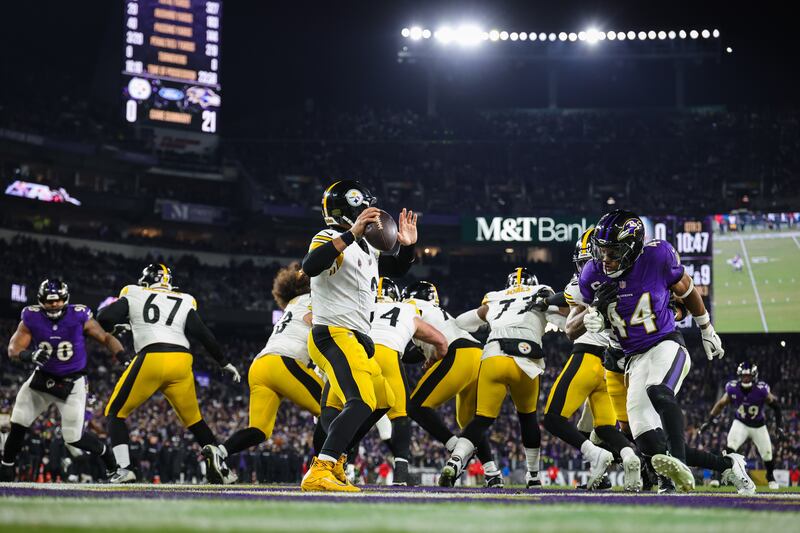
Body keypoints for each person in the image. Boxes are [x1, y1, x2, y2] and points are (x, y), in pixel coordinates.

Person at [580, 210, 754, 494]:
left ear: (632, 248)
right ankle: (728, 466)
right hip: (632, 360)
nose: (606, 259)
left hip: (665, 343)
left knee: (659, 391)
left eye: (613, 252)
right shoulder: (592, 274)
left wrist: (706, 327)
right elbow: (576, 321)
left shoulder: (657, 256)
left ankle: (677, 472)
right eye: (602, 251)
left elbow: (685, 290)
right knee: (647, 441)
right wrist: (591, 316)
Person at [300, 180, 417, 492]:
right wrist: (350, 235)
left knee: (383, 399)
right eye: (365, 206)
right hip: (333, 333)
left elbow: (400, 268)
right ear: (352, 208)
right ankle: (321, 468)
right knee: (362, 400)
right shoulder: (329, 236)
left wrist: (407, 246)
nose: (372, 213)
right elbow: (310, 266)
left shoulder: (367, 248)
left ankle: (336, 459)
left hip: (356, 338)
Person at [96, 264, 241, 483]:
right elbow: (203, 333)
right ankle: (223, 470)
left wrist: (120, 325)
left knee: (115, 412)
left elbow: (104, 318)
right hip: (182, 361)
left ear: (145, 281)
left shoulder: (134, 292)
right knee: (196, 421)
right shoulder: (184, 299)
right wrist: (223, 361)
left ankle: (124, 469)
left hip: (152, 356)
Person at [203, 263, 324, 484]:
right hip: (284, 361)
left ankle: (220, 451)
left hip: (260, 366)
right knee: (331, 410)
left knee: (259, 430)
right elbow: (317, 325)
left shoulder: (292, 303)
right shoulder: (313, 300)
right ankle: (324, 470)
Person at [546, 229, 642, 491]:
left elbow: (569, 326)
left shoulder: (585, 282)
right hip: (614, 363)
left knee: (553, 418)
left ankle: (598, 457)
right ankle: (629, 458)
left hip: (588, 355)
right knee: (604, 429)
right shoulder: (631, 281)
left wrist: (542, 301)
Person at [439, 268, 553, 489]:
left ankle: (455, 462)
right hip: (526, 357)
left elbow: (462, 321)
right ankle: (534, 476)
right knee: (528, 418)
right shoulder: (541, 292)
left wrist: (486, 320)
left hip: (494, 355)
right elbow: (565, 314)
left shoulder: (495, 298)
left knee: (481, 419)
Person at [1, 280, 125, 482]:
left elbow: (105, 337)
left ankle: (110, 461)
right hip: (43, 377)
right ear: (41, 301)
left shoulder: (79, 314)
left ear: (65, 300)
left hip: (72, 381)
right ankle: (6, 468)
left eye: (58, 301)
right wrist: (29, 356)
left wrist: (123, 357)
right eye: (50, 302)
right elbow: (13, 349)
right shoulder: (30, 316)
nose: (54, 305)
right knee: (19, 420)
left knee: (73, 437)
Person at [403, 281, 502, 486]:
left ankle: (457, 450)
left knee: (415, 405)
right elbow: (414, 354)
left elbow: (405, 351)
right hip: (478, 353)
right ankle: (492, 474)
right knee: (468, 424)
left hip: (459, 354)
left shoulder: (409, 306)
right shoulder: (437, 312)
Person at [364, 277, 447, 485]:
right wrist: (432, 358)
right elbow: (438, 341)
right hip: (389, 354)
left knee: (351, 411)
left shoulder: (361, 305)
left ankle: (335, 463)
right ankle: (401, 473)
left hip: (359, 355)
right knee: (401, 414)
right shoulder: (406, 309)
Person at [700, 362, 784, 490]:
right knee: (729, 448)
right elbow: (721, 404)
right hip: (741, 423)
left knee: (767, 454)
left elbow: (776, 406)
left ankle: (770, 477)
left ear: (754, 376)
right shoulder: (732, 388)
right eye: (744, 376)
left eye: (748, 376)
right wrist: (709, 420)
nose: (746, 378)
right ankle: (717, 477)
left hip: (758, 425)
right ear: (739, 376)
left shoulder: (761, 390)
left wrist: (779, 426)